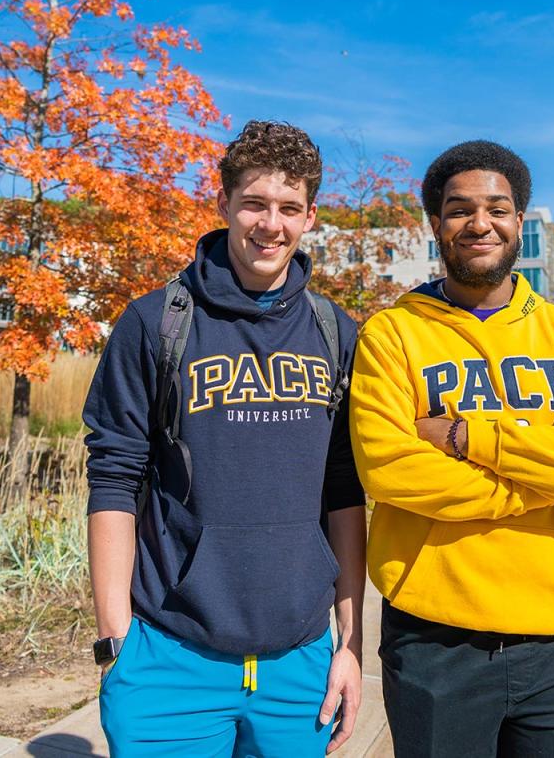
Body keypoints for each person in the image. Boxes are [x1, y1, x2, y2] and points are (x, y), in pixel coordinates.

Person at [349, 140, 554, 757]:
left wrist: (467, 437)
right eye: (459, 210)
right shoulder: (392, 335)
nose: (479, 223)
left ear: (518, 222)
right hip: (437, 644)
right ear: (436, 224)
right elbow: (391, 471)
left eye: (497, 208)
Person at [83, 120, 365, 757]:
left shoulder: (334, 331)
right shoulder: (154, 322)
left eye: (289, 208)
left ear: (310, 216)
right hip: (169, 658)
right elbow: (114, 478)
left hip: (300, 663)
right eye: (255, 204)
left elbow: (345, 491)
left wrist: (349, 647)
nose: (272, 225)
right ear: (224, 205)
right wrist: (114, 639)